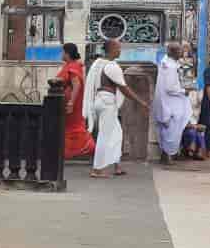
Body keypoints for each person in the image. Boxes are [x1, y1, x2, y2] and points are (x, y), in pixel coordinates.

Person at [89, 39, 149, 178]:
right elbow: (124, 88)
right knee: (105, 136)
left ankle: (117, 166)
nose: (120, 51)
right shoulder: (111, 66)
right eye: (118, 48)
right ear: (110, 49)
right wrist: (141, 102)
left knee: (117, 134)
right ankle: (97, 169)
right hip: (107, 103)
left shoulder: (100, 64)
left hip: (102, 101)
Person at [153, 42, 193, 165]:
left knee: (167, 130)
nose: (182, 53)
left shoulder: (167, 63)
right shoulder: (169, 67)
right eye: (180, 51)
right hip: (171, 103)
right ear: (174, 52)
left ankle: (165, 156)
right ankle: (168, 156)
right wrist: (183, 91)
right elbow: (170, 87)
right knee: (172, 130)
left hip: (166, 102)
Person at [56, 43, 95, 160]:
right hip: (68, 103)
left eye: (62, 52)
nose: (61, 54)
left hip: (72, 105)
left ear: (67, 53)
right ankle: (66, 152)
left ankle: (90, 147)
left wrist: (71, 102)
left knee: (74, 129)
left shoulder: (73, 66)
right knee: (69, 129)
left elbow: (76, 84)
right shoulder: (70, 65)